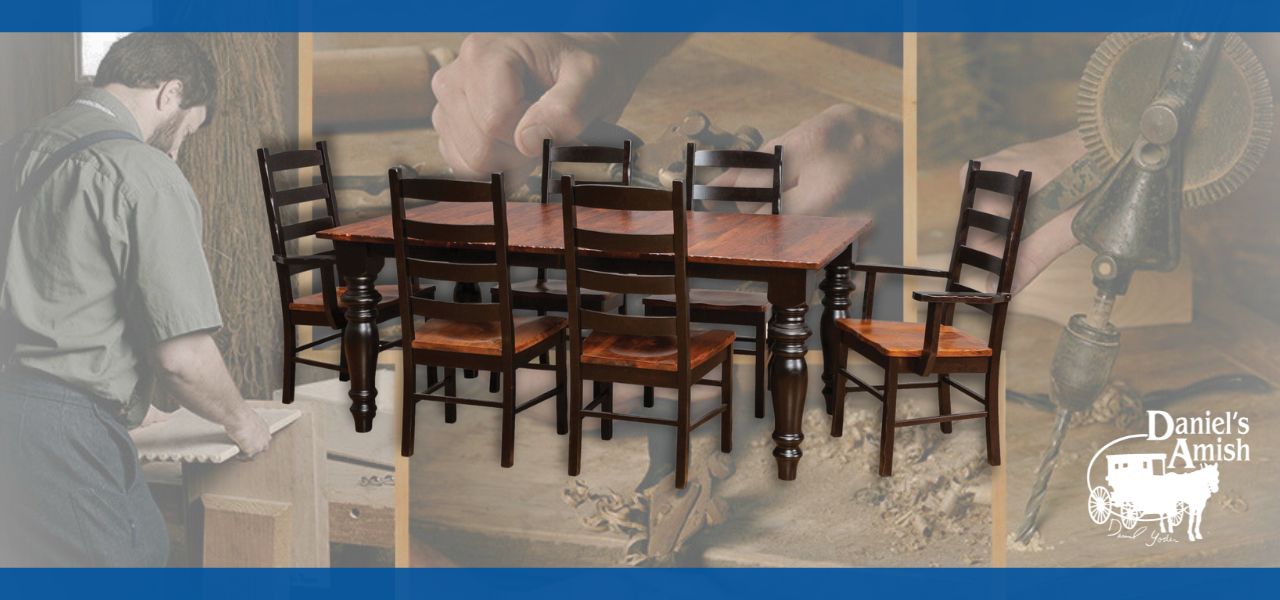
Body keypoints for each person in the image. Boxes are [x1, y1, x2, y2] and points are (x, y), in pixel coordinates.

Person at [0, 33, 270, 567]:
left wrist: (123, 396)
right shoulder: (143, 173)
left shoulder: (19, 148)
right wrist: (242, 420)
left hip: (18, 408)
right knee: (135, 560)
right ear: (170, 93)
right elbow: (183, 359)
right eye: (184, 131)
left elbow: (57, 286)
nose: (175, 148)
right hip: (64, 433)